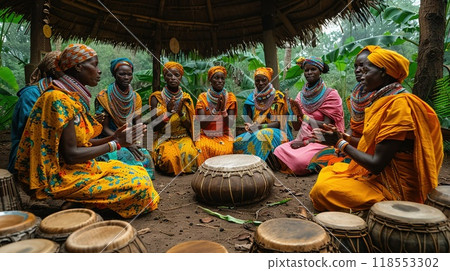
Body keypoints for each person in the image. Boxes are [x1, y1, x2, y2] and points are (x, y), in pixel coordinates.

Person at [15, 44, 159, 218]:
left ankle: (79, 201)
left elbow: (83, 143)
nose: (99, 71)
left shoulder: (70, 97)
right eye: (95, 65)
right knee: (140, 185)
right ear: (78, 67)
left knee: (139, 171)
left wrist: (114, 137)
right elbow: (71, 155)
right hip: (62, 175)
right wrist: (115, 143)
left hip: (81, 165)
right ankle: (82, 203)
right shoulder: (58, 99)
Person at [309, 48, 443, 212]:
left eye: (366, 70)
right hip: (379, 176)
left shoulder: (399, 106)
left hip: (395, 186)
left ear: (383, 72)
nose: (362, 75)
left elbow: (376, 164)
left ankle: (382, 210)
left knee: (323, 191)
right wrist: (343, 137)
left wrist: (340, 143)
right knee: (329, 172)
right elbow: (372, 145)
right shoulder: (383, 100)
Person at [307, 46, 380, 172]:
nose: (358, 70)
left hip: (365, 147)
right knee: (316, 160)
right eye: (356, 67)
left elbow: (326, 124)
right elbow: (353, 125)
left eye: (363, 67)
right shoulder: (357, 95)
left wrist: (342, 142)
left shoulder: (330, 94)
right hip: (318, 138)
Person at [274, 56, 344, 175]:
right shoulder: (300, 96)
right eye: (306, 70)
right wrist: (294, 112)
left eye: (313, 69)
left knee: (298, 161)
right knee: (278, 150)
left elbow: (327, 126)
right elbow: (297, 127)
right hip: (302, 139)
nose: (309, 72)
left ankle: (313, 162)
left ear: (320, 71)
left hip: (322, 141)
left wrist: (304, 119)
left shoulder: (331, 95)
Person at [95, 57, 154, 179]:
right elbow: (104, 128)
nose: (126, 77)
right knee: (124, 157)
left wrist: (135, 142)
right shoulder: (103, 97)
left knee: (145, 157)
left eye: (129, 74)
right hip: (108, 139)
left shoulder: (135, 97)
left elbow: (138, 124)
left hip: (129, 138)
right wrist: (123, 143)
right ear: (114, 74)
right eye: (122, 74)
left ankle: (141, 180)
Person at [8, 51, 61, 173]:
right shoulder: (31, 94)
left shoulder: (61, 93)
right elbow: (35, 131)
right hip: (28, 155)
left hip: (52, 151)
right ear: (54, 71)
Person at [233, 67, 292, 168]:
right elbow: (248, 120)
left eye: (263, 80)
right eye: (257, 80)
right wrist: (249, 126)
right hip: (256, 130)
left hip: (278, 132)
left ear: (269, 80)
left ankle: (255, 168)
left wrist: (259, 126)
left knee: (262, 135)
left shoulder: (278, 97)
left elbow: (279, 123)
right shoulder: (251, 98)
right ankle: (244, 166)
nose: (260, 83)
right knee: (237, 142)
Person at [149, 61, 198, 175]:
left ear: (181, 77)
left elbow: (191, 126)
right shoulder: (156, 97)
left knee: (189, 155)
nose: (173, 78)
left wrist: (181, 114)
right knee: (169, 160)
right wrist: (168, 113)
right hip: (164, 138)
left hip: (183, 136)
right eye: (169, 75)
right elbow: (154, 127)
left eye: (176, 75)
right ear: (164, 77)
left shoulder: (186, 98)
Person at [194, 66, 237, 166]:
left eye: (222, 78)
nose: (220, 81)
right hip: (206, 135)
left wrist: (223, 111)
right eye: (216, 78)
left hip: (224, 135)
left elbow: (231, 124)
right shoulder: (203, 98)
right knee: (202, 147)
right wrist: (215, 110)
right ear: (210, 80)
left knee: (225, 150)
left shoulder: (230, 98)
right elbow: (202, 124)